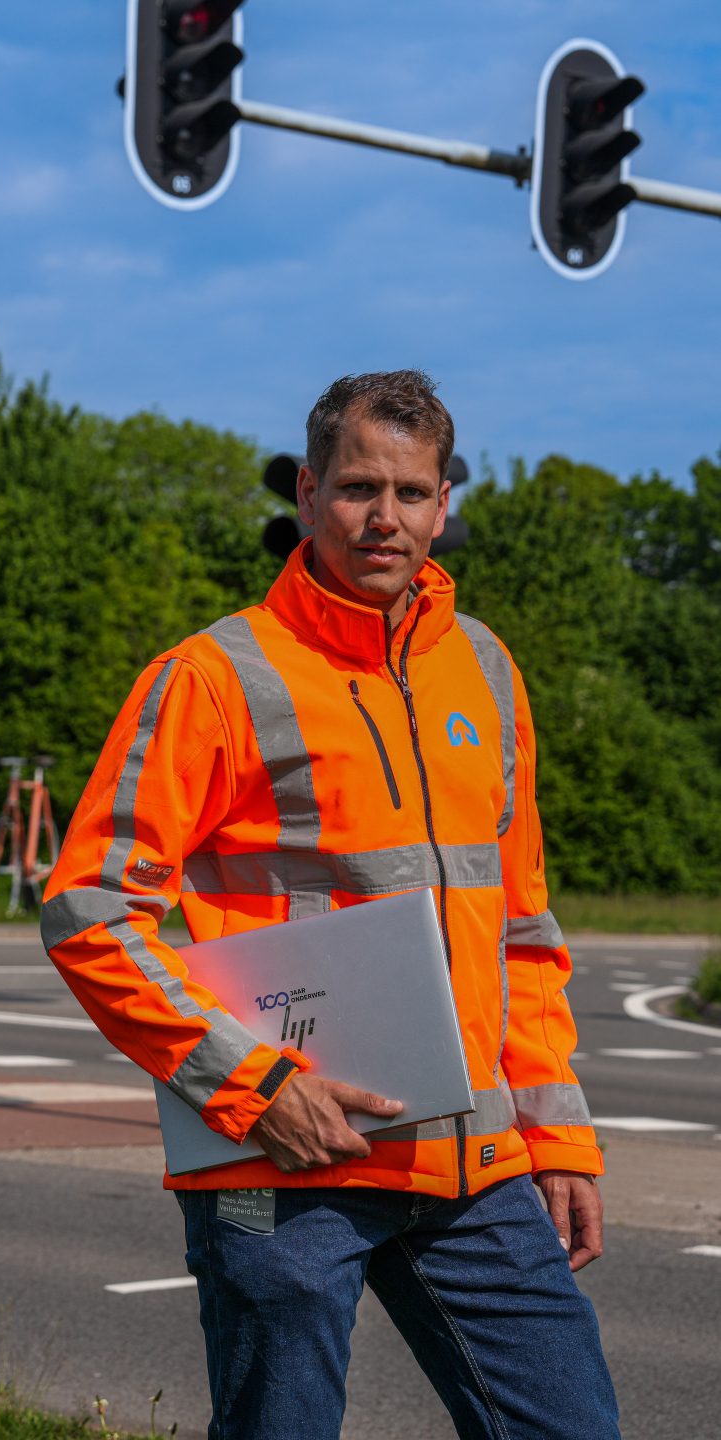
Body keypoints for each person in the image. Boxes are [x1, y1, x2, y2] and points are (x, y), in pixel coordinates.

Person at [42, 370, 619, 1440]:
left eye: (412, 491)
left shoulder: (486, 669)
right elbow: (88, 911)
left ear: (446, 501)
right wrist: (251, 1084)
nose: (385, 517)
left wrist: (561, 1138)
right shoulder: (216, 676)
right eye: (359, 487)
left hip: (475, 1166)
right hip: (284, 1157)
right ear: (308, 494)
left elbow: (525, 932)